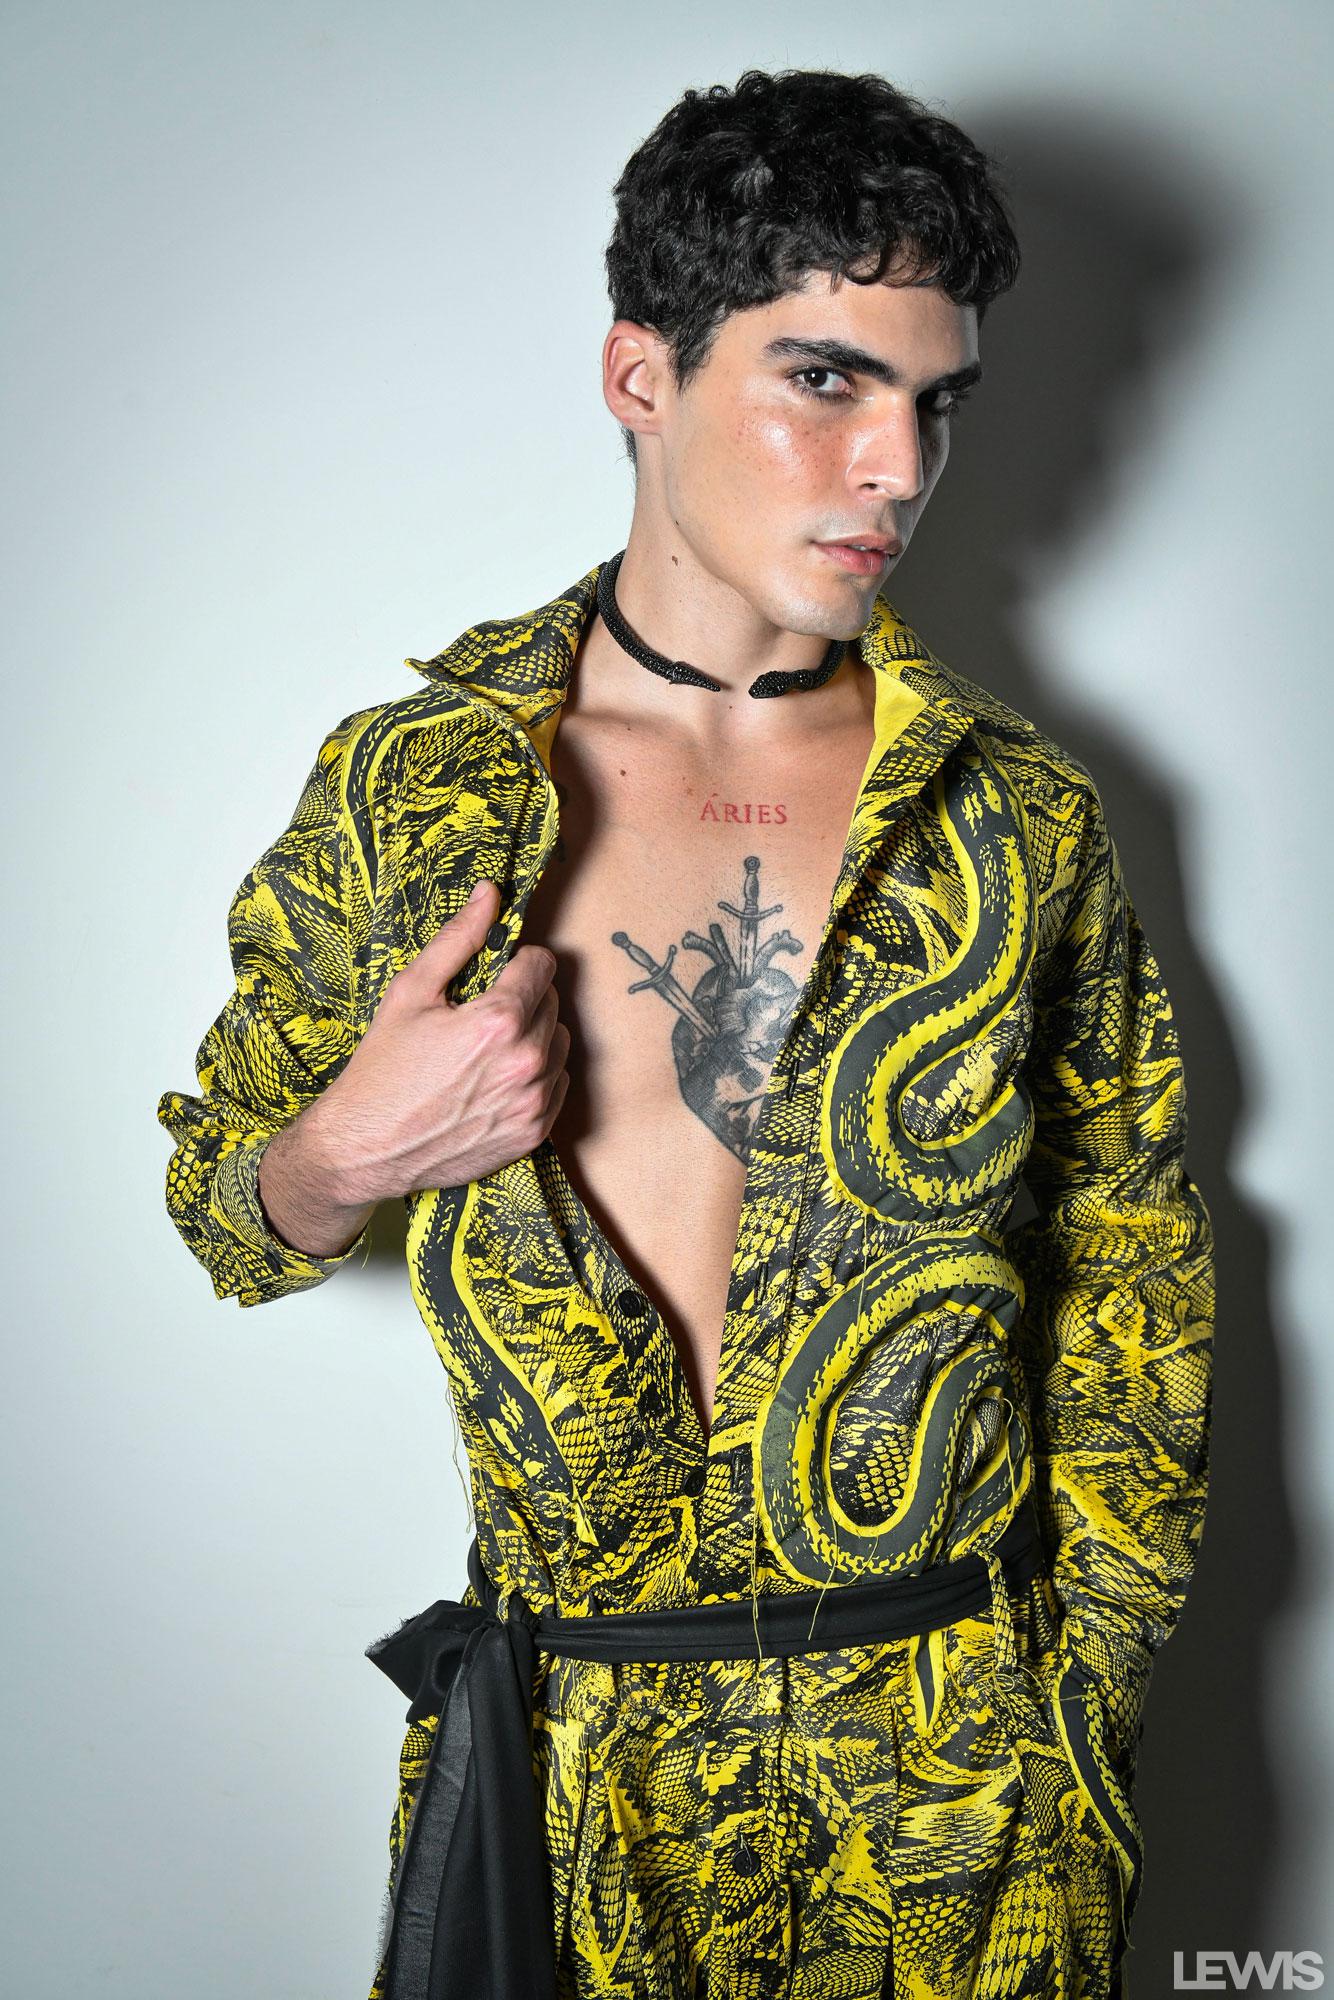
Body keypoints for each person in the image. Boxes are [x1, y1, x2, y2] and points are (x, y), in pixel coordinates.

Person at [156, 65, 1215, 2000]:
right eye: (824, 380)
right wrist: (343, 1155)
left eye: (935, 402)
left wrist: (1081, 1717)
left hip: (961, 1784)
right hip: (580, 1788)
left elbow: (1134, 1283)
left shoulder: (1018, 814)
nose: (894, 466)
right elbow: (226, 1218)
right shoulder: (418, 790)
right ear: (639, 375)